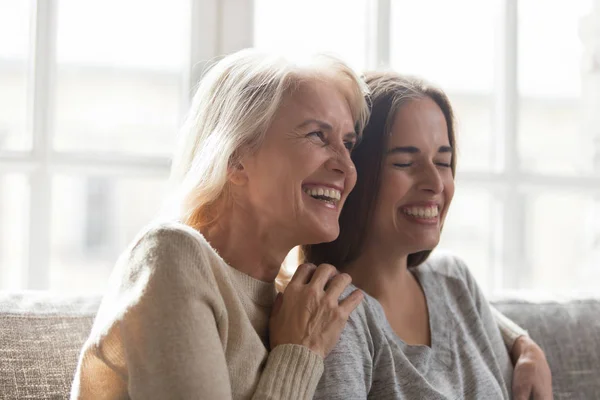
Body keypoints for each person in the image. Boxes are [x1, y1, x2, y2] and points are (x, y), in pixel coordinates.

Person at [69, 49, 370, 399]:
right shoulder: (171, 255)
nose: (347, 168)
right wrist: (300, 356)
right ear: (236, 159)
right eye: (318, 135)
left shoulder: (300, 306)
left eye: (347, 145)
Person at [305, 71, 553, 399]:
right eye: (406, 163)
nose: (435, 183)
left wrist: (523, 342)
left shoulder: (454, 280)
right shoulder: (336, 317)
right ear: (354, 173)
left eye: (443, 162)